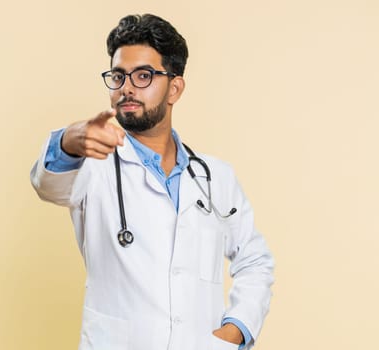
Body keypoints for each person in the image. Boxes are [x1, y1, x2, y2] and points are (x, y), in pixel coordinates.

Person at [31, 14, 274, 350]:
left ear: (174, 88)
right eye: (118, 76)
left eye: (143, 75)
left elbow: (256, 261)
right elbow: (47, 185)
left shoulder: (215, 177)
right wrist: (68, 141)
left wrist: (236, 330)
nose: (126, 87)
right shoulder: (93, 162)